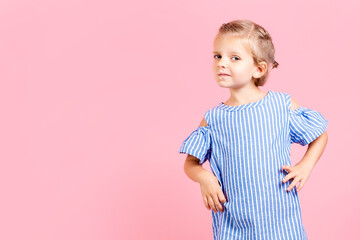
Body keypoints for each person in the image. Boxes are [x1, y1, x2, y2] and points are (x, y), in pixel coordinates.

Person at [178, 19, 328, 240]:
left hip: (281, 224)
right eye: (217, 56)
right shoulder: (214, 119)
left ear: (259, 68)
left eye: (234, 58)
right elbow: (190, 163)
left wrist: (305, 165)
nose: (221, 63)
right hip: (233, 225)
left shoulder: (280, 106)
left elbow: (320, 133)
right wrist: (205, 178)